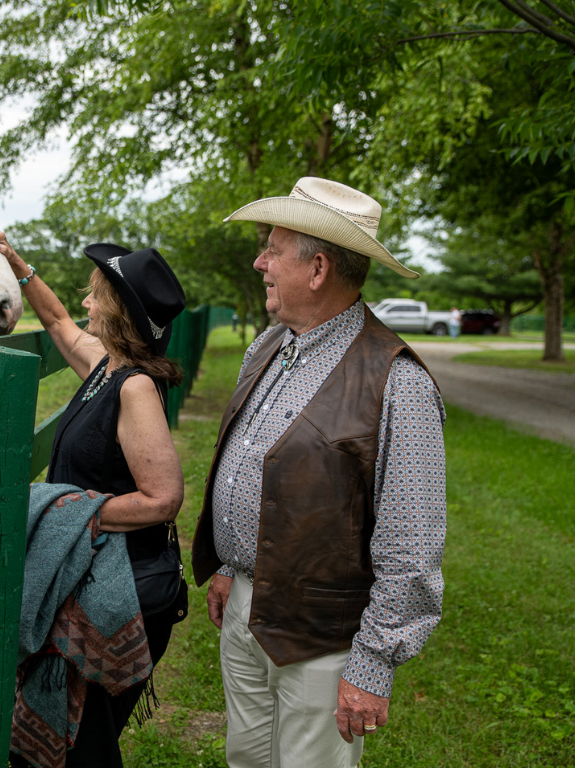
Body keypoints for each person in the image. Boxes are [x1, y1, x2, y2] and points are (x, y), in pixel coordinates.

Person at [191, 177, 446, 768]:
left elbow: (411, 544)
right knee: (247, 758)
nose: (260, 262)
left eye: (273, 249)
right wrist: (233, 568)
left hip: (325, 639)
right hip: (247, 610)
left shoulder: (396, 382)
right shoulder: (269, 346)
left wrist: (372, 662)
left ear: (319, 268)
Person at [0, 215, 188, 767]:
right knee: (78, 742)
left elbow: (163, 498)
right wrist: (17, 266)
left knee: (85, 748)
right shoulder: (105, 368)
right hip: (96, 573)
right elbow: (58, 321)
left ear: (117, 311)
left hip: (127, 587)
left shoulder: (135, 387)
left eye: (95, 297)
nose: (85, 305)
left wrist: (70, 511)